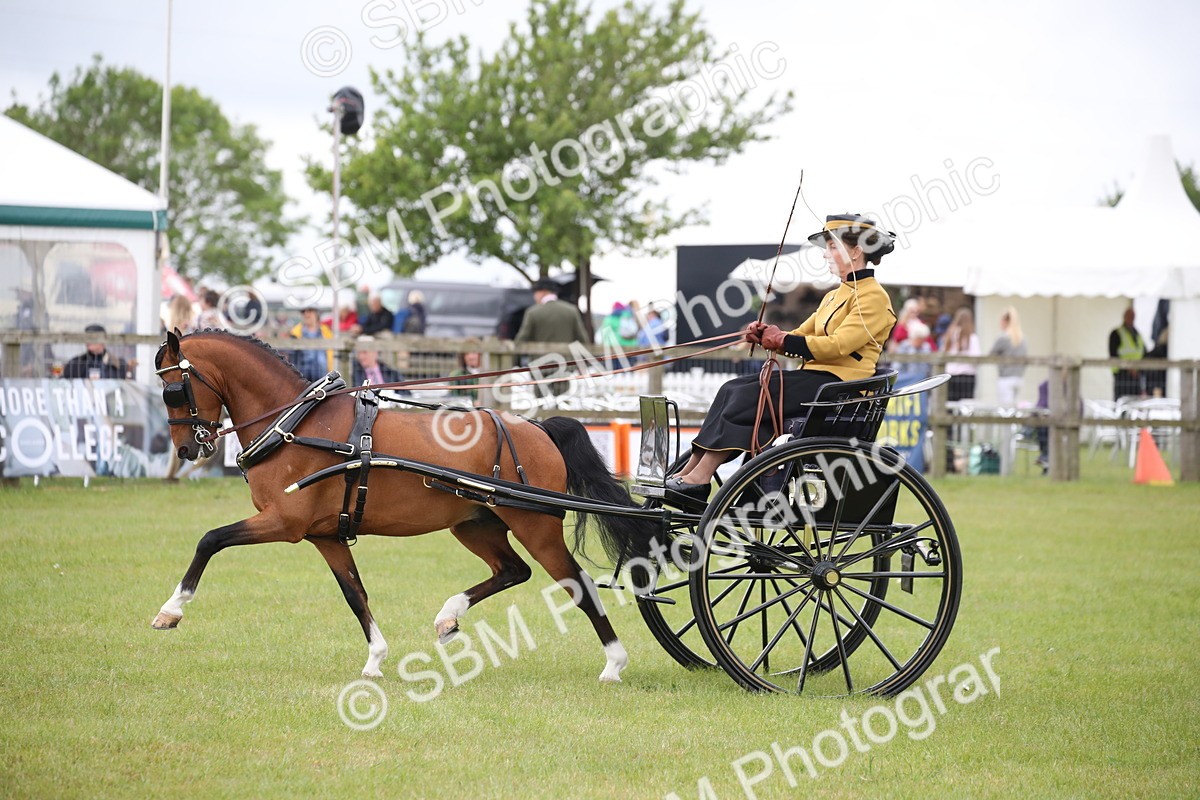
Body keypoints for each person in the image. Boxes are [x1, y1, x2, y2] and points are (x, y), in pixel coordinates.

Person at [667, 214, 897, 496]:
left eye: (833, 246)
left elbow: (840, 345)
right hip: (818, 378)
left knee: (746, 396)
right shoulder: (834, 296)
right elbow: (801, 334)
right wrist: (769, 335)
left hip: (839, 387)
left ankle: (699, 478)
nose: (825, 254)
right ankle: (690, 472)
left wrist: (783, 339)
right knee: (731, 388)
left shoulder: (873, 297)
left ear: (856, 251)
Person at [515, 278, 591, 396]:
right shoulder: (571, 311)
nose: (535, 297)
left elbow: (521, 340)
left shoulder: (533, 312)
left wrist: (516, 358)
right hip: (564, 365)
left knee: (539, 403)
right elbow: (582, 338)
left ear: (542, 292)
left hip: (539, 365)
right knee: (561, 401)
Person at [989, 306, 1027, 406]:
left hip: (1006, 378)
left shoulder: (1003, 337)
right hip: (1019, 377)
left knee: (1006, 409)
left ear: (1005, 321)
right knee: (1015, 408)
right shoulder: (1022, 338)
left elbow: (991, 354)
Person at [62, 324, 130, 379]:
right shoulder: (75, 364)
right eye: (87, 337)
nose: (88, 341)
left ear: (104, 339)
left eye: (93, 338)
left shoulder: (119, 365)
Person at [942, 308, 981, 402]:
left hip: (951, 374)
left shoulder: (950, 335)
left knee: (950, 404)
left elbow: (944, 352)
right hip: (967, 375)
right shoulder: (972, 338)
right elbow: (976, 356)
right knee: (965, 406)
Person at [1109, 307, 1145, 400]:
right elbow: (1113, 355)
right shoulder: (1117, 333)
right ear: (1124, 317)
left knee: (1134, 403)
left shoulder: (1137, 334)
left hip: (1136, 376)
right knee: (1122, 403)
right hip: (1122, 375)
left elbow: (1144, 352)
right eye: (1129, 316)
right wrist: (1128, 368)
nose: (1131, 319)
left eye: (1133, 317)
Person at [289, 306, 334, 382]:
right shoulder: (295, 332)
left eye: (310, 311)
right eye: (303, 311)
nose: (306, 314)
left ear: (316, 313)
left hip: (323, 377)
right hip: (302, 378)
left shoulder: (326, 332)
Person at [894, 320, 933, 388]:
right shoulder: (904, 346)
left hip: (923, 381)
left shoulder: (926, 347)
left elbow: (929, 366)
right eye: (919, 338)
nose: (922, 341)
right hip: (906, 381)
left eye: (923, 339)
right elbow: (897, 366)